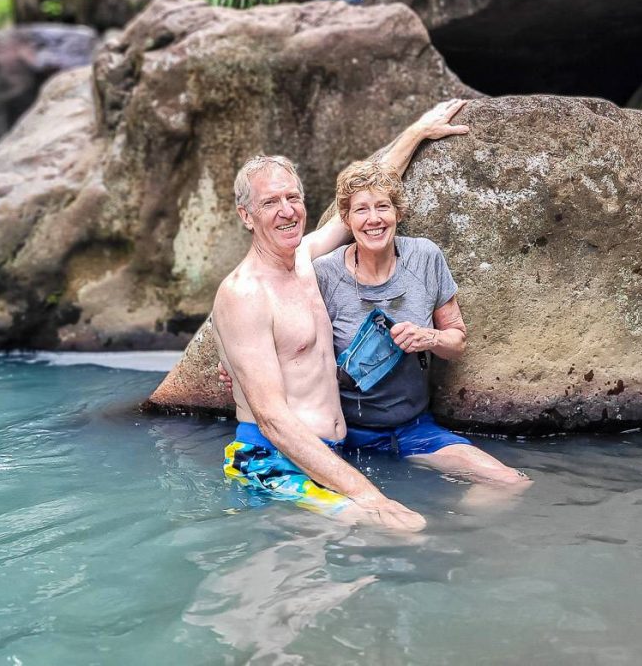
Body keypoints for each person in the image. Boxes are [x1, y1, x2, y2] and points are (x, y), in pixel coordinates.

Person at [211, 99, 469, 533]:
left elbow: (364, 199)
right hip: (272, 461)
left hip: (329, 453)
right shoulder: (243, 294)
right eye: (271, 202)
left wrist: (417, 132)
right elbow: (273, 420)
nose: (287, 210)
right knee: (404, 530)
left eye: (293, 197)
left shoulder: (306, 259)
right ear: (246, 216)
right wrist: (370, 496)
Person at [314, 159, 528, 487]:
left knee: (509, 483)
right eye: (361, 210)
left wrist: (429, 338)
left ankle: (448, 536)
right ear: (346, 219)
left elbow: (457, 342)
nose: (374, 219)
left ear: (398, 212)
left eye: (383, 206)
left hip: (412, 429)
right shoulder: (325, 274)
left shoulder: (425, 258)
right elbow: (287, 339)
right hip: (341, 434)